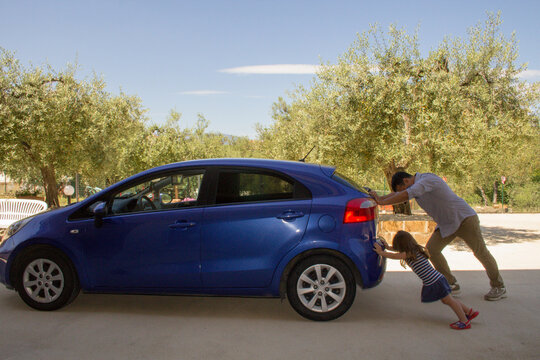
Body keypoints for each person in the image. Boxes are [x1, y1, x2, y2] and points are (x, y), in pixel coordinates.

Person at [369, 171, 506, 301]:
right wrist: (379, 198)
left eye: (402, 188)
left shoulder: (426, 180)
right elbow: (399, 194)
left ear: (406, 180)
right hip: (447, 224)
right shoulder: (415, 186)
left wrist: (381, 201)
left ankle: (498, 286)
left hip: (464, 219)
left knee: (480, 252)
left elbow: (405, 194)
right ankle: (451, 284)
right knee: (432, 250)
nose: (403, 192)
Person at [373, 231, 479, 330]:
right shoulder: (413, 250)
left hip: (435, 281)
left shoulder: (408, 253)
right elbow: (396, 251)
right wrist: (387, 247)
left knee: (449, 301)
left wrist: (381, 252)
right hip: (437, 279)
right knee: (448, 300)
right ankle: (470, 312)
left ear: (401, 245)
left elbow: (395, 255)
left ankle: (464, 321)